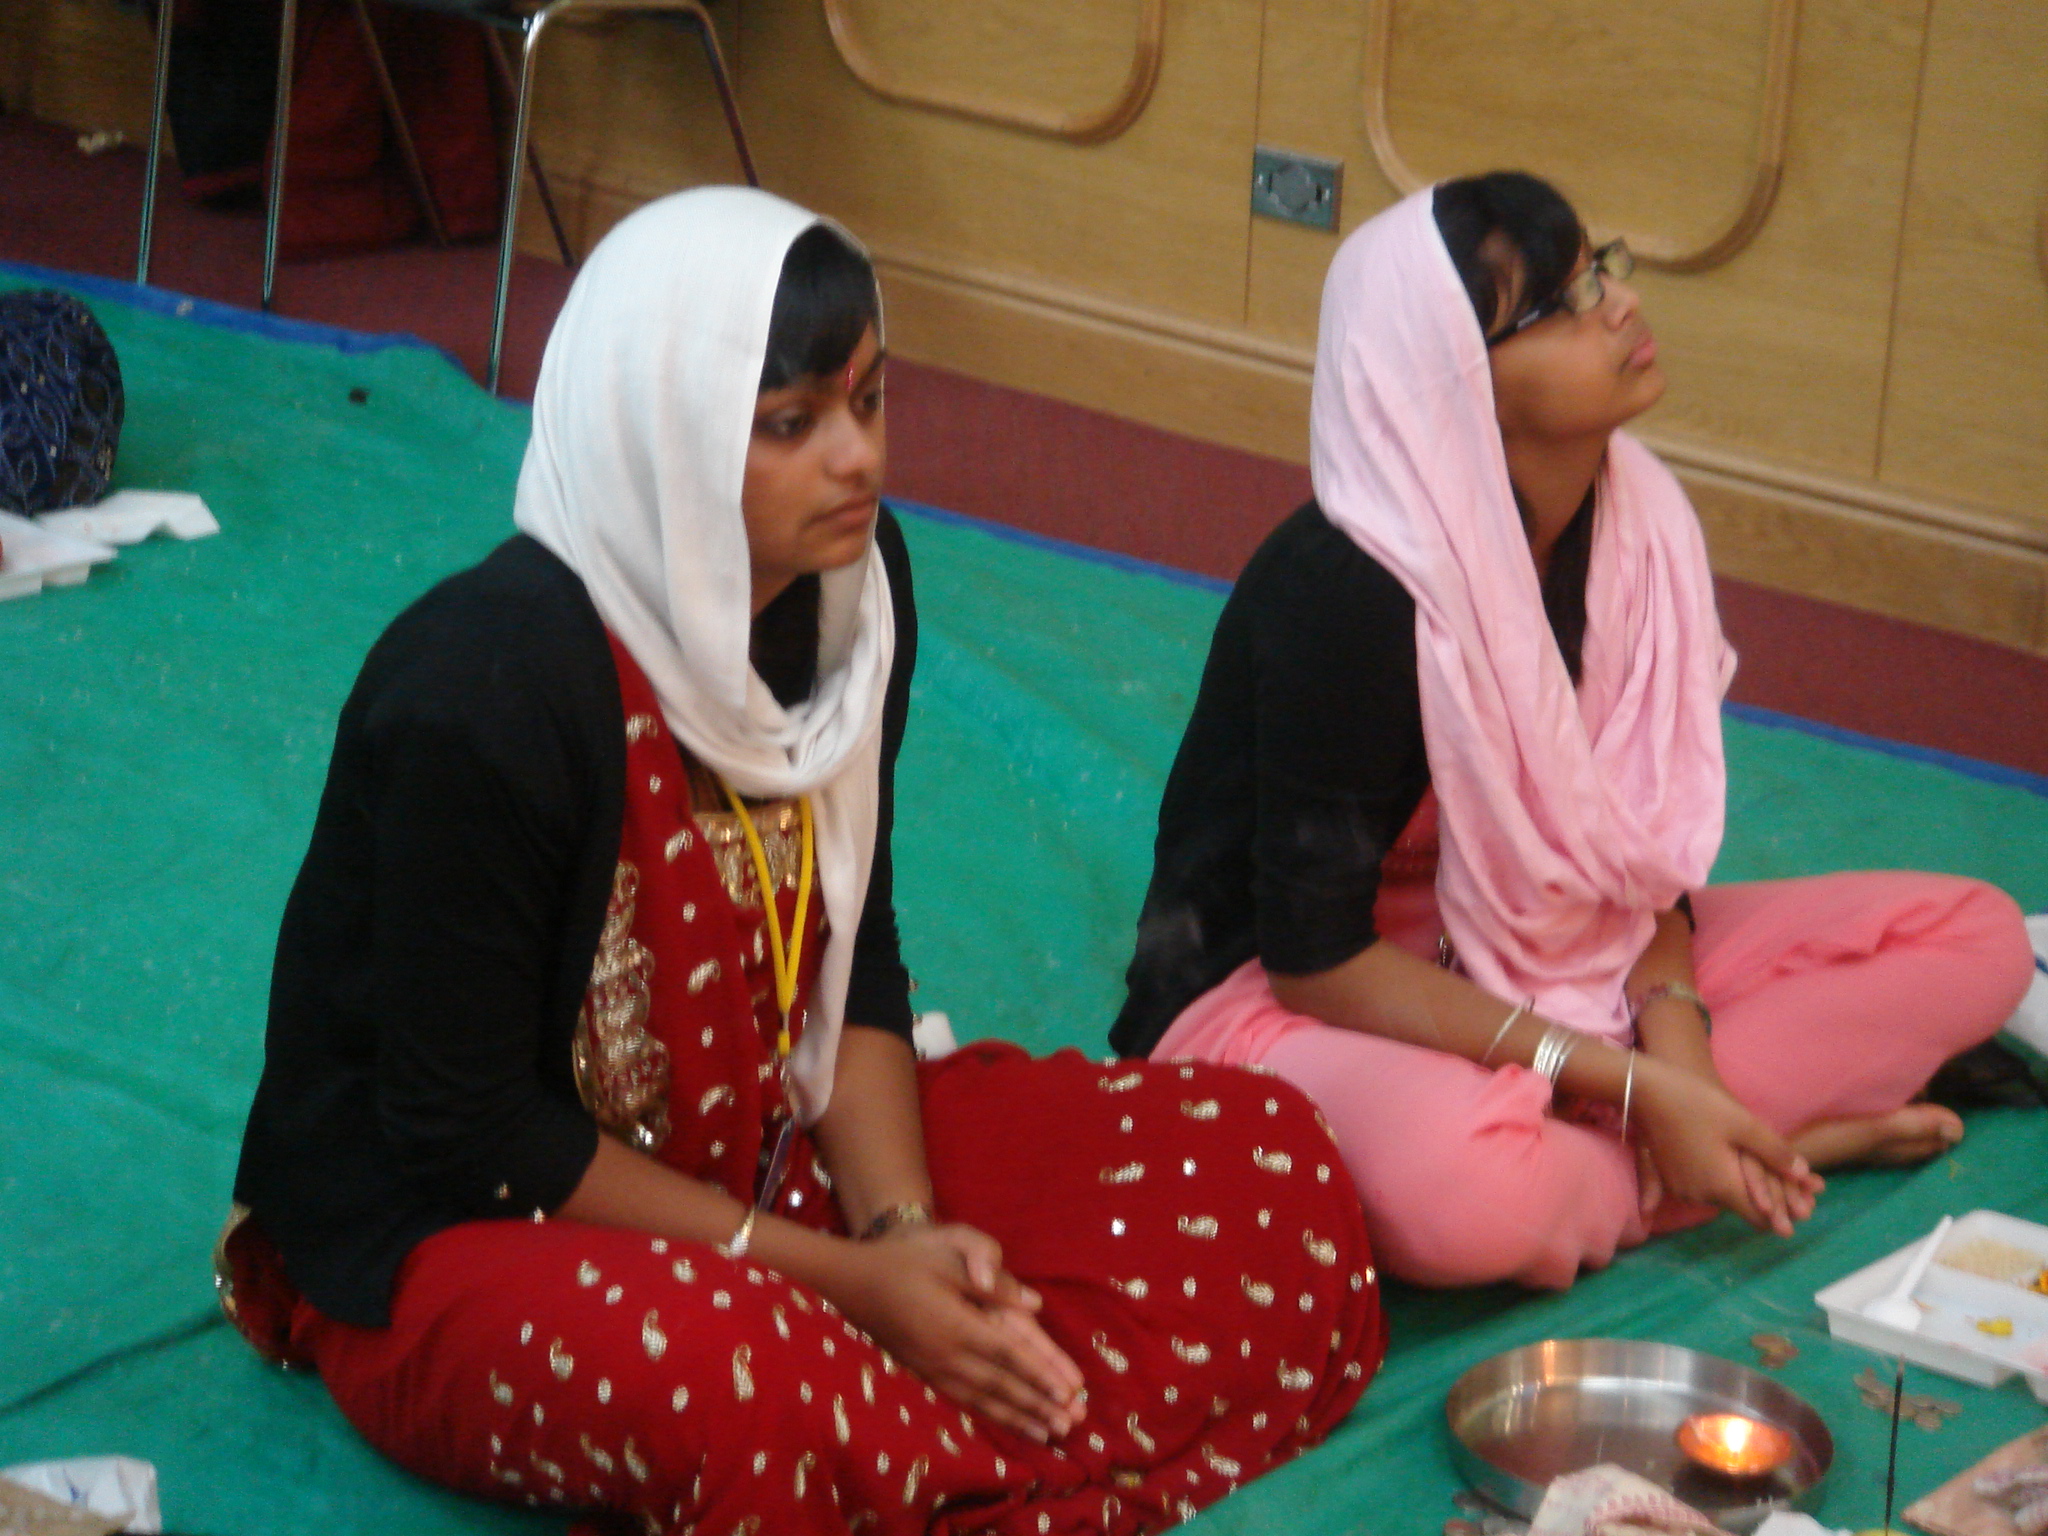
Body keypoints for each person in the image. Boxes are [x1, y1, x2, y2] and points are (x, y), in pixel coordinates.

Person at [220, 186, 1382, 1536]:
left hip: (771, 1152)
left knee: (1270, 1165)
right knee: (745, 1393)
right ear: (664, 434)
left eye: (870, 402)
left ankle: (905, 1431)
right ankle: (894, 1413)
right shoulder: (486, 688)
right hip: (471, 1232)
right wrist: (838, 1281)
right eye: (792, 425)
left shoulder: (854, 593)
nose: (859, 461)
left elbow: (856, 953)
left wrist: (899, 1237)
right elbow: (473, 1130)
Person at [1110, 172, 2036, 1292]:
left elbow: (1631, 877)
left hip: (1562, 958)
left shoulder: (1636, 534)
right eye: (1553, 306)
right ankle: (1710, 1161)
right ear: (1448, 381)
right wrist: (1630, 1086)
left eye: (1597, 269)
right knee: (1470, 1194)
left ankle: (1674, 1145)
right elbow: (1317, 965)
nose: (1618, 308)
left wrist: (1673, 1057)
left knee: (1974, 940)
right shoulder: (1349, 587)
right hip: (1297, 999)